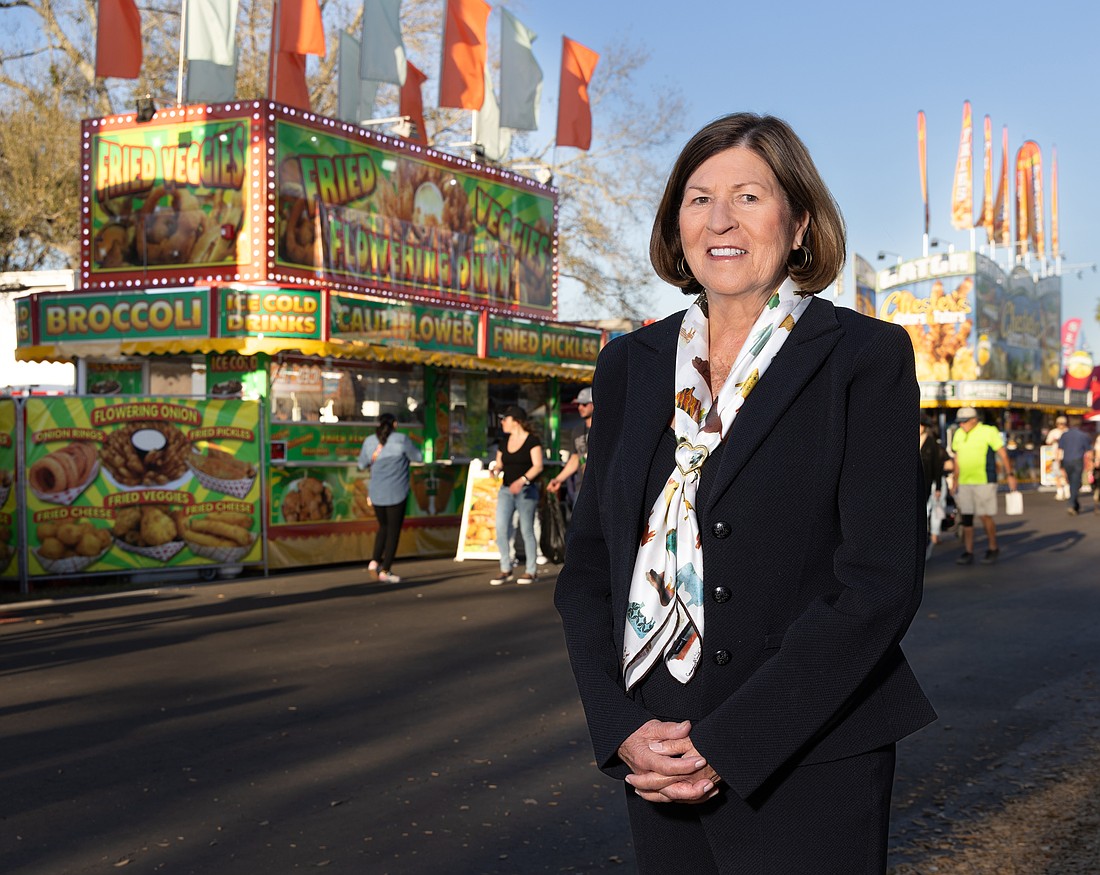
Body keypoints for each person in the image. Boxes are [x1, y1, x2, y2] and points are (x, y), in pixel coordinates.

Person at [553, 113, 935, 874]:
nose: (720, 220)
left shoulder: (863, 356)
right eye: (698, 199)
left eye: (749, 196)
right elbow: (592, 569)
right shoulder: (631, 362)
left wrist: (732, 742)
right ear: (677, 225)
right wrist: (619, 724)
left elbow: (879, 583)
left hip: (810, 753)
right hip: (656, 754)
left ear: (798, 224)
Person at [356, 413, 422, 583]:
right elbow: (419, 457)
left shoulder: (370, 441)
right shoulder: (401, 439)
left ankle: (374, 561)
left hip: (376, 493)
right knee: (393, 531)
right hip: (397, 493)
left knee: (383, 527)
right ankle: (386, 569)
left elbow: (361, 464)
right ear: (395, 424)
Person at [949, 407, 1017, 564]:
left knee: (985, 515)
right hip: (965, 481)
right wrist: (955, 478)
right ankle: (968, 551)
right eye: (959, 422)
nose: (961, 425)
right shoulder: (959, 434)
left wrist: (1010, 474)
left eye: (964, 422)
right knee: (966, 517)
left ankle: (993, 547)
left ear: (974, 419)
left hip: (984, 480)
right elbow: (957, 458)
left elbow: (1003, 453)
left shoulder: (988, 431)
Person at [487, 405, 543, 586]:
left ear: (516, 421)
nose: (502, 422)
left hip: (526, 490)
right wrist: (495, 469)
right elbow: (499, 463)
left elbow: (538, 465)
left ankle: (531, 571)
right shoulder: (504, 442)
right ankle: (505, 568)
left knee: (526, 529)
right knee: (501, 527)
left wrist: (522, 480)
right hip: (506, 490)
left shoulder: (532, 441)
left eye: (505, 419)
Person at [547, 387, 593, 505]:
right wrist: (558, 479)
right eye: (578, 404)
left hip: (601, 488)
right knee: (578, 523)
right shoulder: (577, 430)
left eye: (584, 404)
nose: (580, 408)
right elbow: (575, 458)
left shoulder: (606, 429)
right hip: (581, 487)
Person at [920, 416, 947, 557]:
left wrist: (938, 487)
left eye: (921, 425)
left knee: (929, 512)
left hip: (930, 483)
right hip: (917, 483)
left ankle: (931, 538)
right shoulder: (909, 440)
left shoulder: (932, 444)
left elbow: (937, 466)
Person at [1057, 415, 1092, 515]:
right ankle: (1072, 504)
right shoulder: (1083, 435)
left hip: (1067, 460)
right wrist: (1090, 463)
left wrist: (1059, 463)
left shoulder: (1065, 435)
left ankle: (1074, 504)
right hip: (1077, 460)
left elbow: (1060, 450)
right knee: (1075, 482)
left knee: (1072, 482)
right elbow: (1088, 451)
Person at [1046, 415, 1069, 499]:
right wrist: (1054, 440)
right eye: (1059, 423)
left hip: (1065, 456)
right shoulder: (1053, 432)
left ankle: (1067, 490)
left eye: (1063, 423)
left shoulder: (1068, 432)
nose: (1061, 425)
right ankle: (1060, 491)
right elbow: (1048, 442)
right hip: (1055, 456)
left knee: (1064, 473)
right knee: (1057, 474)